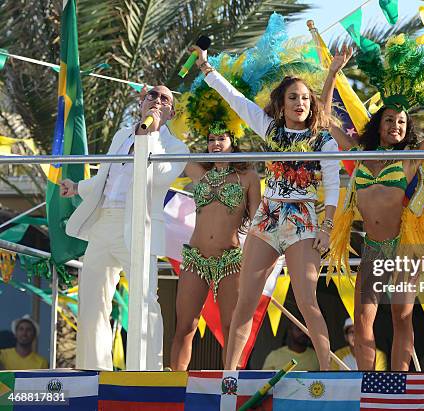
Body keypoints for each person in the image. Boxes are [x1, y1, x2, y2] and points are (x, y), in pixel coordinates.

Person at [324, 36, 424, 371]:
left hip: (405, 247)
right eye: (389, 120)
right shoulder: (359, 156)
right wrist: (333, 74)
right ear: (378, 124)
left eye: (401, 122)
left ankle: (399, 384)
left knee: (401, 318)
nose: (395, 126)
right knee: (363, 318)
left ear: (406, 129)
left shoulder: (412, 158)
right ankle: (366, 384)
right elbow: (325, 121)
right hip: (373, 247)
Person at [192, 40, 340, 371]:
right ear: (282, 103)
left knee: (307, 301)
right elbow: (236, 100)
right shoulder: (270, 129)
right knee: (245, 301)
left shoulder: (323, 140)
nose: (300, 102)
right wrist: (206, 67)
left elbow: (332, 188)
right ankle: (230, 374)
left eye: (305, 98)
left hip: (302, 218)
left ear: (312, 104)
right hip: (268, 216)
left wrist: (327, 229)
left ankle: (329, 375)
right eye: (293, 98)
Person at [60, 85, 189, 371]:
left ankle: (146, 371)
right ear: (141, 102)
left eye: (164, 99)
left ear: (172, 112)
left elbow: (155, 179)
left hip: (139, 226)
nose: (157, 101)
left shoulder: (177, 148)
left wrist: (150, 135)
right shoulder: (120, 135)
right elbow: (106, 178)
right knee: (92, 298)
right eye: (152, 96)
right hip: (104, 222)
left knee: (145, 300)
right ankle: (93, 369)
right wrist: (78, 186)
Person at [170, 123, 260, 370]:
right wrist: (157, 116)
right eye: (211, 139)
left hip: (230, 261)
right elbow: (172, 146)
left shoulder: (249, 177)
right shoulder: (200, 172)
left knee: (231, 326)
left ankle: (230, 384)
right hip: (195, 258)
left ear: (234, 141)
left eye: (222, 138)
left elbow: (258, 224)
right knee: (186, 325)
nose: (216, 144)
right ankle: (176, 384)